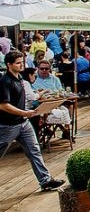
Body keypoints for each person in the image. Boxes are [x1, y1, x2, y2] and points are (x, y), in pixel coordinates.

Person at [0, 51, 65, 190]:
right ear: (9, 65)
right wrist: (24, 112)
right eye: (18, 63)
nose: (21, 65)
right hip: (8, 125)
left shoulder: (20, 79)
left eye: (22, 62)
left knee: (34, 150)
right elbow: (3, 105)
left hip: (23, 123)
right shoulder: (5, 81)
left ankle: (45, 180)